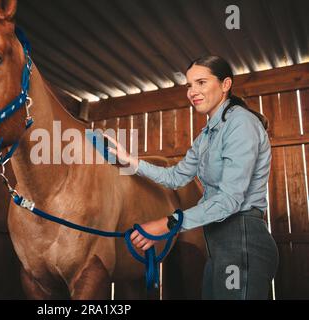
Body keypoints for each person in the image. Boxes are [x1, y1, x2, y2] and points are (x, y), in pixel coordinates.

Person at [104, 55, 279, 300]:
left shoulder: (241, 123)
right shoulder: (206, 135)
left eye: (201, 82)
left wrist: (167, 223)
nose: (192, 91)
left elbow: (230, 200)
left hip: (242, 240)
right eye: (189, 85)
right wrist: (131, 162)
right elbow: (175, 177)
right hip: (217, 243)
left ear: (225, 84)